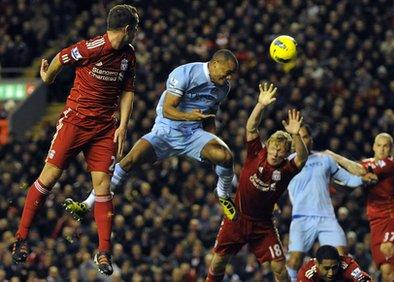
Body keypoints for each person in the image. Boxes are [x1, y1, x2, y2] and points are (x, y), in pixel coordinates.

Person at [10, 4, 139, 276]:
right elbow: (62, 56)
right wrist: (48, 77)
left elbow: (128, 90)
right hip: (75, 122)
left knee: (103, 187)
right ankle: (21, 238)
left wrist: (123, 126)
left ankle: (103, 251)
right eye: (136, 28)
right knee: (49, 178)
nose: (137, 33)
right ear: (127, 29)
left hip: (105, 128)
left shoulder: (129, 55)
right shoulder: (93, 47)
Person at [64, 49, 239, 221]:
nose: (229, 77)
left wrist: (212, 139)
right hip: (166, 131)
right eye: (227, 72)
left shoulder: (223, 88)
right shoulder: (185, 73)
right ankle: (87, 204)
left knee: (225, 156)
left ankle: (223, 194)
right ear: (215, 64)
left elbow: (209, 117)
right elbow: (168, 110)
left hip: (193, 134)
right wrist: (189, 116)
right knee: (128, 161)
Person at [207, 82, 309, 282]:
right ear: (268, 145)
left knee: (279, 267)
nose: (276, 152)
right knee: (218, 262)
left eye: (281, 150)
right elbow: (251, 127)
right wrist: (260, 105)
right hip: (237, 217)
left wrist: (296, 134)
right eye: (274, 147)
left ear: (286, 153)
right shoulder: (256, 153)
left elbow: (302, 158)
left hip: (263, 225)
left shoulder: (286, 170)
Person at [286, 125, 378, 281]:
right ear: (293, 142)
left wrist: (363, 180)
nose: (303, 141)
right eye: (299, 137)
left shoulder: (325, 160)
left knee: (341, 258)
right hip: (302, 218)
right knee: (294, 261)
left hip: (326, 217)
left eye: (306, 137)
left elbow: (346, 179)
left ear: (312, 140)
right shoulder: (287, 163)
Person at [325, 133, 394, 281]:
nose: (382, 149)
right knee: (386, 271)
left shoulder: (389, 164)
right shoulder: (367, 163)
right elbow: (349, 184)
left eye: (386, 146)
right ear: (373, 147)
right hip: (376, 221)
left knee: (387, 248)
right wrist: (329, 179)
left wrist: (334, 156)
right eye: (379, 145)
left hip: (393, 216)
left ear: (391, 150)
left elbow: (360, 171)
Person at [297, 245, 371, 282]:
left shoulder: (347, 265)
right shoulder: (306, 274)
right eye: (326, 268)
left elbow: (364, 279)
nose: (331, 273)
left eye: (334, 267)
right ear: (317, 264)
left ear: (339, 261)